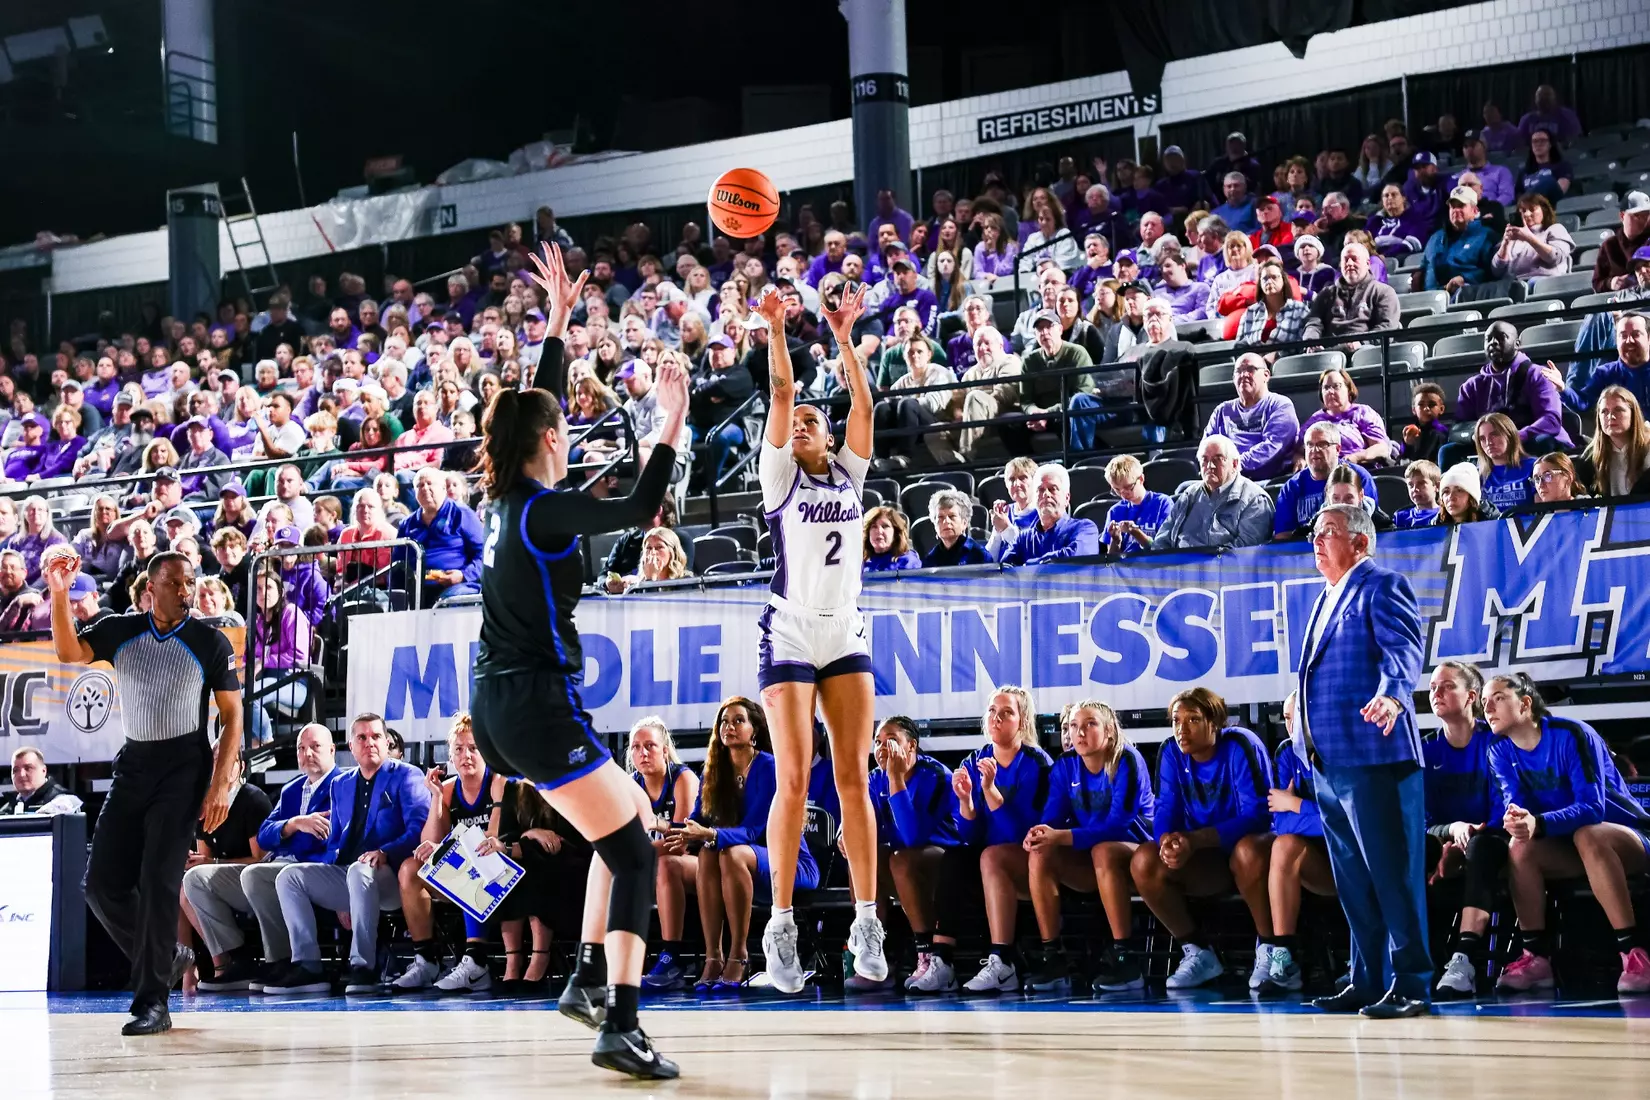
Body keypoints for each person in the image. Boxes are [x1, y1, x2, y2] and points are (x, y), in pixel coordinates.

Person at [464, 243, 687, 1076]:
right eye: (561, 420)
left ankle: (589, 978)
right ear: (552, 439)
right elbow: (637, 504)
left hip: (500, 701)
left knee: (622, 815)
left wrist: (557, 322)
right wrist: (669, 419)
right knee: (633, 847)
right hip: (532, 701)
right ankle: (618, 1023)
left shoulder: (506, 499)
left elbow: (536, 403)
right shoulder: (549, 510)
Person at [746, 280, 887, 997]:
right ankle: (780, 925)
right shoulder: (778, 473)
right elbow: (778, 393)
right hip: (791, 627)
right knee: (795, 777)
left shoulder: (850, 471)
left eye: (810, 420)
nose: (799, 423)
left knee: (853, 777)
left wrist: (841, 333)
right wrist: (777, 327)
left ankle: (868, 919)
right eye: (794, 421)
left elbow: (863, 404)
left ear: (828, 437)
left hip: (845, 628)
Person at [45, 550, 243, 1036]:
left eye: (190, 581)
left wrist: (220, 782)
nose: (186, 590)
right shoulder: (121, 628)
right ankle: (166, 956)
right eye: (175, 583)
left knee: (157, 882)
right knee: (100, 884)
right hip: (135, 763)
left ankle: (152, 1004)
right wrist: (56, 592)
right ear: (150, 588)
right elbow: (69, 652)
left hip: (184, 766)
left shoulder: (208, 641)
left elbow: (233, 716)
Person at [1296, 504, 1430, 1018]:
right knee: (1353, 880)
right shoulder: (1322, 600)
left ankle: (1412, 983)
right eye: (1315, 531)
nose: (1317, 539)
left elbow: (1403, 649)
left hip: (1376, 754)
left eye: (1328, 531)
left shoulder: (1382, 584)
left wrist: (1394, 695)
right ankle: (1367, 978)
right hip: (1329, 762)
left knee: (1393, 874)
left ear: (1361, 542)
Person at [1486, 673, 1650, 996]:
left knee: (1588, 834)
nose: (1487, 707)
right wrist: (1517, 819)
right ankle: (1536, 960)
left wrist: (1540, 823)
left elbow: (1592, 809)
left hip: (1630, 837)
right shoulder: (1499, 750)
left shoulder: (1571, 733)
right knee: (1520, 847)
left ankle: (1633, 955)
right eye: (1484, 702)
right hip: (1571, 846)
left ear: (1525, 703)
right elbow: (1515, 802)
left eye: (1498, 698)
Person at [262, 715, 429, 997]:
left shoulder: (407, 775)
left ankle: (364, 965)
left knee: (359, 870)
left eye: (375, 736)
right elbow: (335, 843)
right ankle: (308, 964)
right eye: (361, 738)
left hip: (393, 876)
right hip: (353, 874)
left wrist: (385, 852)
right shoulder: (341, 784)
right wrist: (337, 891)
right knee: (290, 876)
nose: (369, 743)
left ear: (387, 743)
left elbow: (418, 830)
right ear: (351, 746)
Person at [664, 698, 815, 993]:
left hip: (787, 864)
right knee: (709, 853)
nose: (729, 727)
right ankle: (713, 956)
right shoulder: (713, 773)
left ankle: (739, 954)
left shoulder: (770, 767)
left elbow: (760, 830)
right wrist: (673, 829)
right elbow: (696, 821)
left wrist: (712, 834)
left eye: (738, 721)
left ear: (754, 730)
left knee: (728, 851)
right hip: (736, 866)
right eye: (723, 721)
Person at [1130, 687, 1275, 990]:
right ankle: (1197, 951)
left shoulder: (1240, 745)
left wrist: (1196, 840)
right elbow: (1165, 808)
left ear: (1215, 721)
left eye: (1193, 719)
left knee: (1247, 851)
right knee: (1145, 859)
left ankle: (1272, 949)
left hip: (1254, 853)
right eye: (1176, 720)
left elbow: (1258, 816)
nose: (1181, 729)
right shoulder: (1171, 750)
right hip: (1205, 856)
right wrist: (1168, 841)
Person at [187, 723, 336, 992]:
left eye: (315, 747)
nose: (308, 753)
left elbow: (267, 851)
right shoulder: (292, 789)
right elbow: (267, 834)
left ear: (332, 750)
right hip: (280, 867)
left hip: (315, 869)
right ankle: (243, 959)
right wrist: (293, 824)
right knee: (194, 879)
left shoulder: (343, 784)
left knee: (261, 873)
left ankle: (294, 962)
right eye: (302, 748)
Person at [926, 687, 1052, 994]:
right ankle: (941, 961)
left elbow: (1022, 834)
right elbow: (970, 836)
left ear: (1022, 721)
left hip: (1031, 858)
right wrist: (967, 801)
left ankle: (1002, 962)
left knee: (991, 857)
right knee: (954, 858)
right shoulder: (975, 759)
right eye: (992, 711)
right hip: (989, 855)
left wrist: (992, 792)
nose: (996, 718)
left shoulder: (1037, 763)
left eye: (1007, 712)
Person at [1022, 700, 1154, 992]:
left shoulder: (1126, 760)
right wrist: (1038, 834)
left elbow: (1119, 826)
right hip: (1093, 860)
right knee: (1041, 850)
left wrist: (1064, 836)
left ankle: (1125, 957)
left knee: (1104, 849)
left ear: (1109, 730)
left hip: (1139, 856)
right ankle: (1053, 956)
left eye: (1090, 724)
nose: (1079, 732)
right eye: (1073, 726)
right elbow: (1051, 821)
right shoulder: (1066, 766)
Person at [1416, 663, 1507, 1001]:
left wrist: (1465, 841)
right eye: (1433, 687)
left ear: (1471, 696)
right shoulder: (1425, 751)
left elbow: (1505, 808)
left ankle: (1464, 960)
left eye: (1446, 686)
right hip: (1445, 846)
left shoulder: (1497, 742)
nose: (1436, 693)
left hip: (1493, 842)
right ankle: (1413, 960)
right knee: (1415, 848)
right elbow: (1422, 820)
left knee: (1481, 847)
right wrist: (1451, 833)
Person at [863, 716, 957, 992]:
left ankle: (928, 954)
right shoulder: (874, 778)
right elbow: (866, 823)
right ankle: (873, 958)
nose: (882, 749)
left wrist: (895, 778)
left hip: (947, 863)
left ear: (911, 746)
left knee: (901, 859)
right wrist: (847, 834)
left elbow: (912, 837)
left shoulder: (936, 776)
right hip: (901, 863)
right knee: (865, 859)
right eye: (877, 742)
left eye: (891, 741)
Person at [177, 756, 272, 990]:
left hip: (254, 877)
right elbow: (203, 861)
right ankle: (189, 969)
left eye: (229, 760)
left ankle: (224, 963)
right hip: (223, 879)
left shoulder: (253, 799)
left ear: (242, 767)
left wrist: (212, 861)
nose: (223, 766)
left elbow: (261, 859)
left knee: (191, 884)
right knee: (181, 886)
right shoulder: (205, 803)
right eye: (217, 761)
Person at [629, 719, 701, 992]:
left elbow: (682, 842)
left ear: (665, 751)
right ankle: (612, 958)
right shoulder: (631, 785)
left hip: (699, 862)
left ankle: (673, 958)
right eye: (636, 747)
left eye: (650, 746)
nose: (643, 753)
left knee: (667, 864)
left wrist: (643, 848)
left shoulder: (683, 778)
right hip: (651, 865)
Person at [1153, 435, 1276, 550]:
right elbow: (1161, 542)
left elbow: (1244, 554)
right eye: (1205, 460)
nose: (1210, 465)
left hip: (1223, 571)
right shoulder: (1189, 494)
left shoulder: (1255, 500)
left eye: (1218, 459)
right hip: (1179, 569)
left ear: (1234, 464)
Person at [1203, 353, 1300, 481]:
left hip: (1267, 480)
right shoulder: (1222, 411)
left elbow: (1272, 447)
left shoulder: (1280, 405)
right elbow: (1206, 446)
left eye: (1250, 369)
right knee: (1185, 489)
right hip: (1226, 479)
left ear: (1266, 375)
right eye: (1239, 371)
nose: (1244, 375)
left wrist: (1233, 465)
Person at [1274, 423, 1378, 538]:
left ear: (1338, 449)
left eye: (1322, 444)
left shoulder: (1358, 476)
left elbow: (1369, 524)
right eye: (1309, 445)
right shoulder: (1291, 487)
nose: (1314, 450)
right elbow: (1283, 536)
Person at [1021, 310, 1104, 452]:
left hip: (1065, 411)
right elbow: (1025, 399)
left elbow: (1083, 392)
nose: (1044, 332)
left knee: (1067, 418)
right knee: (1009, 423)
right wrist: (1033, 412)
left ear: (1060, 329)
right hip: (1040, 414)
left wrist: (1048, 413)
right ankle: (1027, 467)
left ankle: (1078, 463)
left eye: (1049, 327)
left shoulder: (1077, 353)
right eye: (1040, 328)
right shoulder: (1029, 361)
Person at [1302, 243, 1399, 343]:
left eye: (1354, 258)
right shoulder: (1326, 293)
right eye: (1345, 259)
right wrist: (1311, 341)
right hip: (1329, 353)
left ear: (1367, 264)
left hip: (1366, 353)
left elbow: (1386, 327)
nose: (1349, 263)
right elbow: (1313, 322)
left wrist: (1362, 343)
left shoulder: (1384, 292)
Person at [1574, 384, 1650, 499]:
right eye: (1604, 411)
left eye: (1618, 410)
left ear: (1633, 413)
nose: (1610, 417)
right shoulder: (1590, 456)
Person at [1099, 454, 1172, 557]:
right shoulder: (1115, 511)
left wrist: (1135, 532)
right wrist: (1116, 540)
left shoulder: (1162, 503)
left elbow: (1163, 549)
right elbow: (1112, 561)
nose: (1123, 494)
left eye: (1129, 487)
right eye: (1117, 490)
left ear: (1141, 479)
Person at [1493, 194, 1574, 280]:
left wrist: (1529, 237)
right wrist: (1505, 244)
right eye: (1523, 211)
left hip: (1543, 280)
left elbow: (1555, 258)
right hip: (1514, 284)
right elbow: (1496, 271)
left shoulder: (1555, 229)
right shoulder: (1513, 237)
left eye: (1532, 209)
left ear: (1544, 211)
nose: (1527, 214)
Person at [1, 746, 82, 815]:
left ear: (44, 771)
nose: (21, 774)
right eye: (15, 770)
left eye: (28, 768)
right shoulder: (6, 811)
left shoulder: (64, 802)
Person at [922, 488, 989, 567]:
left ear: (964, 523)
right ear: (934, 524)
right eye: (940, 517)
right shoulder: (930, 561)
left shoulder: (980, 555)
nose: (946, 521)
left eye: (952, 516)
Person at [1516, 129, 1572, 205]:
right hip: (1528, 209)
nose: (1538, 144)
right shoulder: (1524, 171)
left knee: (1547, 181)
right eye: (1535, 141)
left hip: (1550, 205)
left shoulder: (1562, 166)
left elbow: (1560, 190)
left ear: (1550, 144)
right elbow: (1518, 194)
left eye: (1543, 140)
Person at [1394, 460, 1443, 528]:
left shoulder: (1444, 515)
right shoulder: (1400, 517)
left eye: (1421, 484)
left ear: (1437, 486)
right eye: (1411, 485)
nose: (1414, 489)